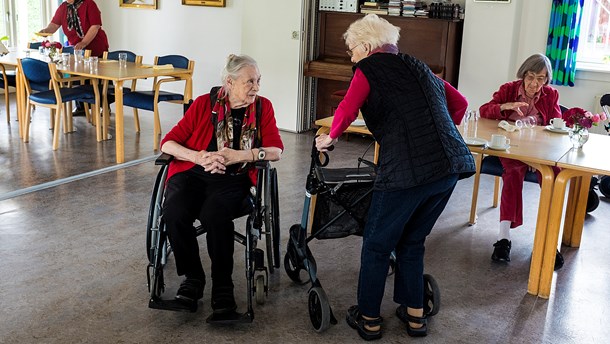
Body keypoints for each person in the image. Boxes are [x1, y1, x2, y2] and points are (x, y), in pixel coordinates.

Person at [315, 14, 475, 340]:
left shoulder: (368, 68)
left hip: (406, 172)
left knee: (377, 244)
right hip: (449, 167)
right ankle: (416, 316)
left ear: (366, 45)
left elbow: (346, 108)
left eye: (351, 49)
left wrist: (329, 137)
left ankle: (369, 318)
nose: (350, 56)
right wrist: (436, 131)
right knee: (412, 241)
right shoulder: (418, 66)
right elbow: (459, 103)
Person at [160, 54, 284, 314]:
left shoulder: (262, 108)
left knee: (215, 214)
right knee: (174, 211)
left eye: (258, 81)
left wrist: (240, 156)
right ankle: (193, 279)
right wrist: (198, 156)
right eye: (250, 82)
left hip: (233, 178)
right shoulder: (204, 104)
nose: (256, 87)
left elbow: (275, 151)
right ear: (230, 81)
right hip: (194, 173)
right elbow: (168, 143)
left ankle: (223, 287)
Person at [479, 53, 564, 269]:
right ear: (524, 74)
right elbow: (484, 111)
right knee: (513, 173)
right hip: (511, 148)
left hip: (539, 149)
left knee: (555, 177)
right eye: (531, 77)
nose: (535, 84)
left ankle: (548, 242)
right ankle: (503, 239)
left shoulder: (551, 94)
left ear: (546, 80)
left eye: (541, 79)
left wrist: (539, 120)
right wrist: (503, 107)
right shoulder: (508, 88)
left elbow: (557, 123)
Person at [39, 0, 109, 116]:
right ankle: (81, 107)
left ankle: (104, 106)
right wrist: (46, 31)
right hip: (76, 49)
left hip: (95, 46)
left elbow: (95, 26)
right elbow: (54, 24)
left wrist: (84, 42)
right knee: (77, 75)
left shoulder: (89, 4)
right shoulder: (63, 7)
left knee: (98, 78)